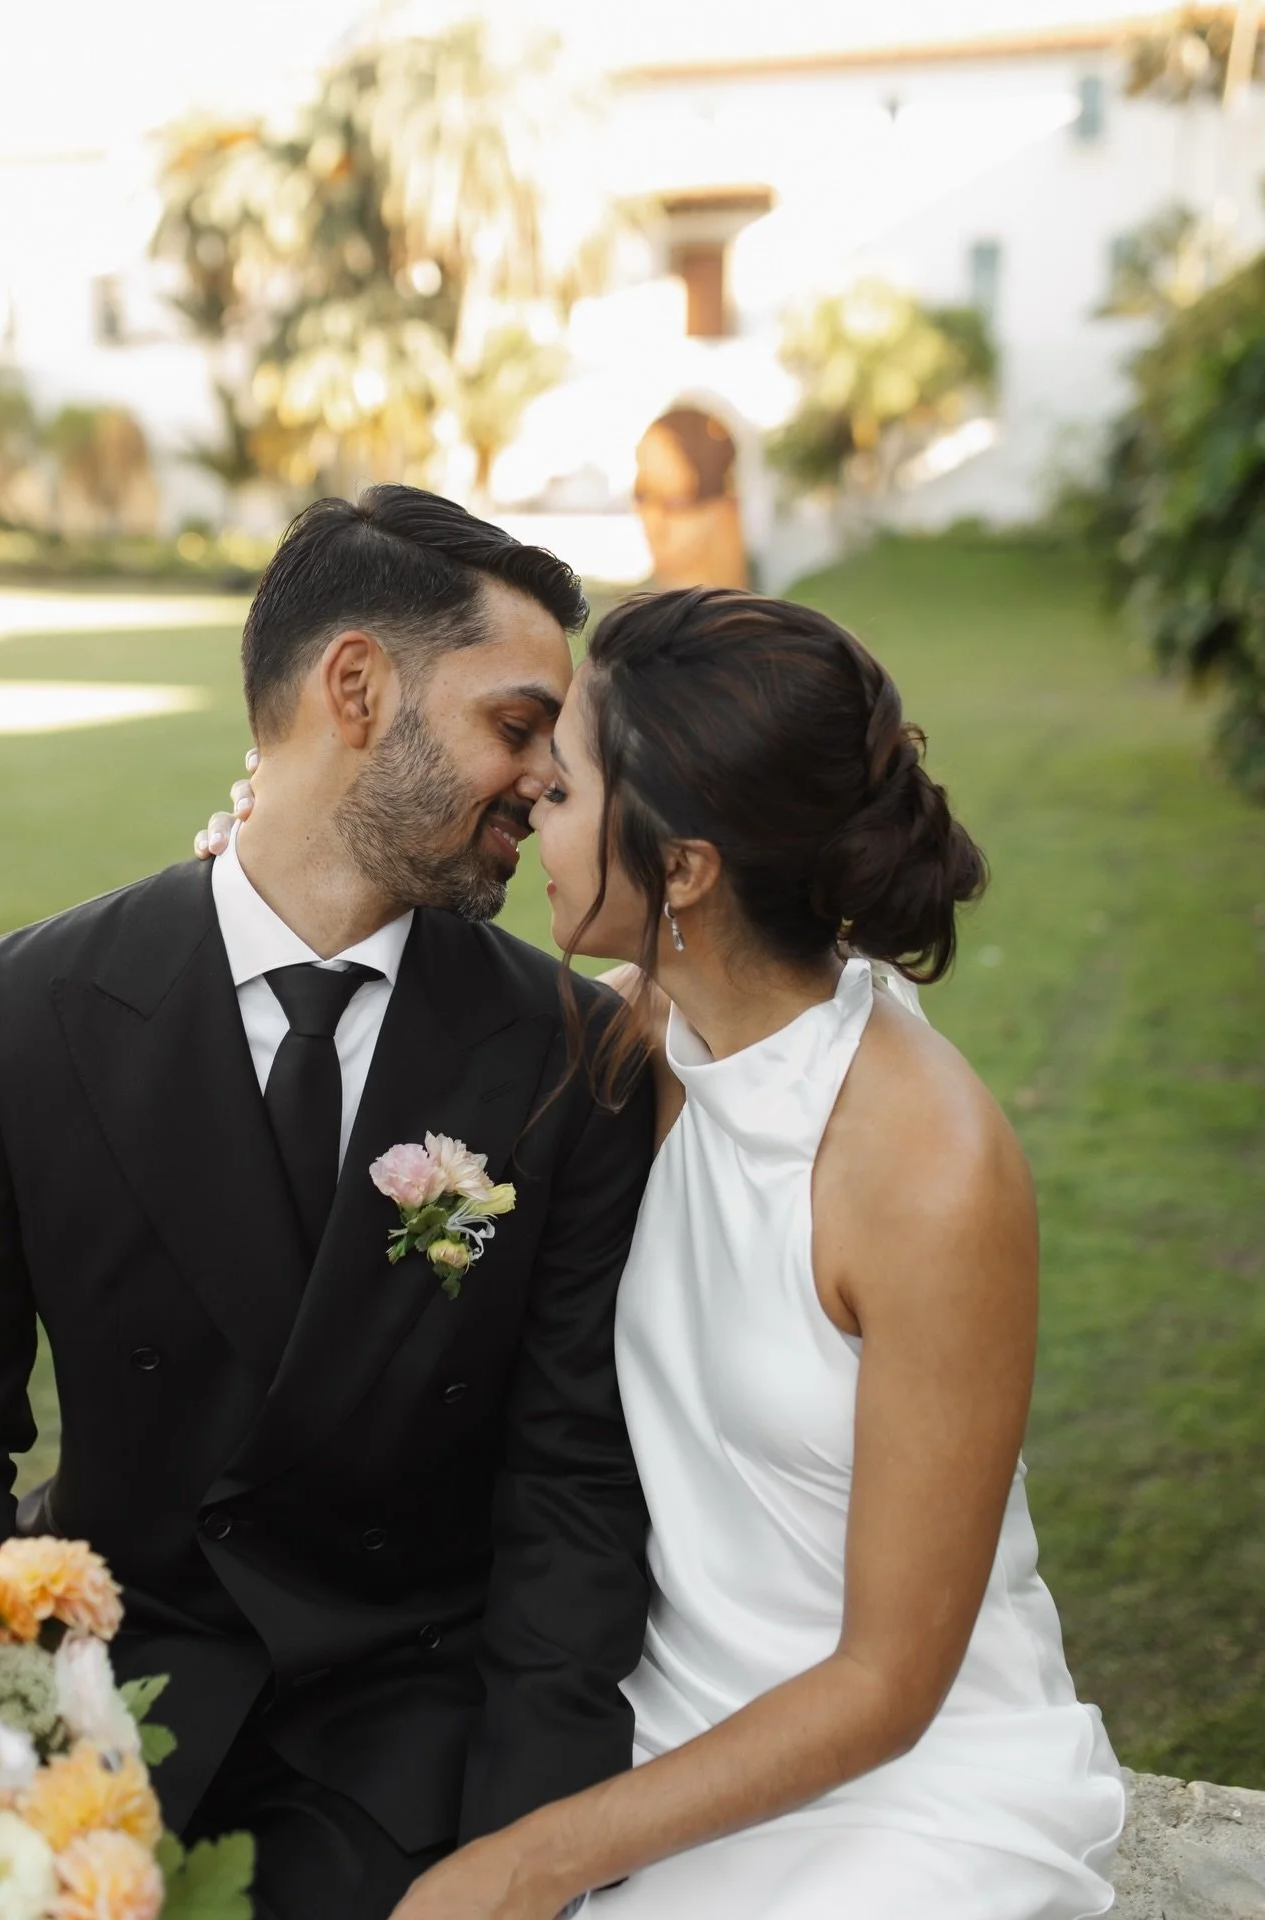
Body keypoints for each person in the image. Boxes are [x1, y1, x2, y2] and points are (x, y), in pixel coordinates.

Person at [210, 584, 1125, 1919]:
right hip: (640, 1729)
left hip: (895, 1790)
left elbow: (889, 1685)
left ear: (686, 867)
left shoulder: (930, 1172)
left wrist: (530, 1860)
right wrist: (253, 877)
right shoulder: (639, 1040)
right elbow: (380, 1007)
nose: (524, 797)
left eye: (565, 787)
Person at [0, 487, 655, 1920]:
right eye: (518, 725)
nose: (542, 779)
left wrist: (531, 1845)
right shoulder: (15, 1017)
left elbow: (575, 1493)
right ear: (357, 687)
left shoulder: (564, 1055)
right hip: (103, 1696)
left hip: (410, 1732)